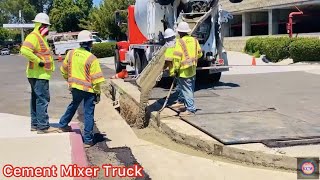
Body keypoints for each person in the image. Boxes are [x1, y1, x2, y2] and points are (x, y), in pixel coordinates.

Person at [57, 30, 105, 148]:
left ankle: (63, 124)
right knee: (88, 113)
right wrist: (97, 93)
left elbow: (63, 70)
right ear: (90, 44)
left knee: (73, 105)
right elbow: (96, 79)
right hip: (89, 91)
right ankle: (88, 140)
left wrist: (69, 81)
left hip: (75, 88)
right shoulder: (92, 58)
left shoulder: (71, 54)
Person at [20, 13, 58, 134]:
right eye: (46, 26)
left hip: (36, 74)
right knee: (42, 99)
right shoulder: (34, 36)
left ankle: (35, 124)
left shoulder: (40, 37)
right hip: (39, 74)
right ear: (41, 25)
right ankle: (43, 126)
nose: (48, 28)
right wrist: (39, 62)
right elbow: (24, 50)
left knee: (36, 99)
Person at [171, 22, 203, 116]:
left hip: (183, 71)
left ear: (180, 32)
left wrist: (175, 70)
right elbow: (200, 54)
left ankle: (191, 109)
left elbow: (177, 58)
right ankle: (182, 102)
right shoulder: (195, 40)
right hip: (192, 69)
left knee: (187, 90)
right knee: (188, 89)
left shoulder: (179, 42)